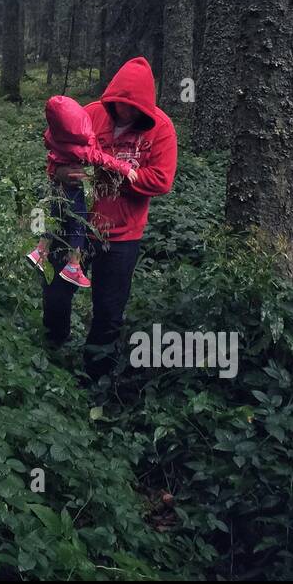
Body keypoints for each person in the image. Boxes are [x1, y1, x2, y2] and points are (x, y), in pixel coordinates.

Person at [41, 57, 177, 387]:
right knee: (56, 292)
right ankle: (51, 353)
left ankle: (96, 377)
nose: (124, 113)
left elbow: (161, 179)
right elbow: (58, 154)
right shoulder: (91, 113)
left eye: (133, 108)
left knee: (108, 310)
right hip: (75, 227)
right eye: (119, 105)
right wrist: (58, 173)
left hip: (122, 235)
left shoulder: (161, 128)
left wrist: (114, 172)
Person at [26, 95, 136, 288]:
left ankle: (39, 252)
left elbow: (53, 158)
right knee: (79, 224)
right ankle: (73, 266)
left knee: (55, 219)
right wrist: (123, 167)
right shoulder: (76, 148)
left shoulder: (55, 137)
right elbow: (97, 156)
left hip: (56, 187)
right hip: (72, 189)